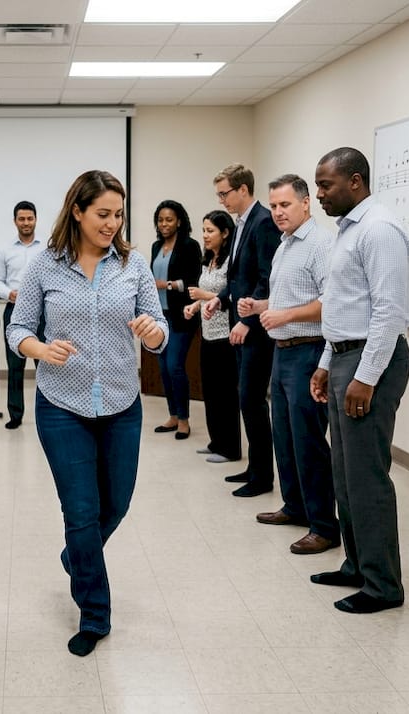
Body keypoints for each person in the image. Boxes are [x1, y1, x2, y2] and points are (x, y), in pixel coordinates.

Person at [6, 170, 167, 658]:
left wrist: (152, 333)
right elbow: (17, 329)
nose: (112, 224)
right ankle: (94, 614)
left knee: (113, 504)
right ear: (77, 211)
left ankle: (76, 556)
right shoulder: (45, 266)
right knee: (80, 511)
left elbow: (158, 328)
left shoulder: (132, 264)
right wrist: (40, 347)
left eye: (118, 215)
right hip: (61, 406)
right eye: (102, 214)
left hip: (121, 402)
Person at [308, 147, 409, 614]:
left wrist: (365, 378)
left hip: (372, 362)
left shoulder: (379, 229)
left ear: (355, 181)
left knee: (367, 478)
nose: (319, 195)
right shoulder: (347, 232)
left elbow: (389, 313)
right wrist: (327, 363)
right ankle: (356, 564)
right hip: (345, 356)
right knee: (344, 475)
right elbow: (344, 306)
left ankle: (383, 586)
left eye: (325, 186)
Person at [237, 174, 339, 556]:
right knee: (285, 436)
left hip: (308, 352)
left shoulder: (321, 245)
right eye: (274, 206)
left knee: (308, 441)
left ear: (306, 203)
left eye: (285, 205)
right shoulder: (284, 245)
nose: (278, 212)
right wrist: (260, 307)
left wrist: (283, 316)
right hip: (283, 351)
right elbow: (287, 298)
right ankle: (295, 507)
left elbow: (331, 303)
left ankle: (324, 526)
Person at [203, 163, 280, 497]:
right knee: (244, 399)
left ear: (243, 190)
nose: (222, 200)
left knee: (251, 400)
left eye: (225, 193)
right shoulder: (241, 223)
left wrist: (247, 321)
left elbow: (267, 278)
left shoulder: (263, 222)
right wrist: (220, 300)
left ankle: (263, 477)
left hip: (256, 328)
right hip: (238, 320)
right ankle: (253, 468)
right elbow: (237, 278)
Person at [182, 210, 242, 464]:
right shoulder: (209, 260)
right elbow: (206, 295)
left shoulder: (231, 262)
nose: (205, 236)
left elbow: (231, 297)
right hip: (207, 334)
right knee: (211, 392)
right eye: (203, 230)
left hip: (226, 336)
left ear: (225, 233)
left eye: (210, 231)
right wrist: (194, 306)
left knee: (226, 394)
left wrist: (204, 298)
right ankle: (216, 441)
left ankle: (231, 449)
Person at [148, 200, 202, 440]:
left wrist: (166, 285)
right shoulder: (156, 246)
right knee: (163, 368)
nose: (164, 224)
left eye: (169, 219)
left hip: (181, 316)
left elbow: (192, 281)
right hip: (159, 315)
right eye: (160, 220)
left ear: (179, 221)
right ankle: (172, 415)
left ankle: (184, 420)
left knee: (175, 366)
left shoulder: (190, 246)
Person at [0, 201, 46, 429]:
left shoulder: (47, 249)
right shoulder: (5, 251)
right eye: (21, 219)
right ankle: (15, 414)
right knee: (15, 365)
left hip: (44, 312)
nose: (26, 223)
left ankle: (47, 412)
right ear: (15, 221)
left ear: (35, 219)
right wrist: (9, 293)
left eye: (29, 218)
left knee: (44, 363)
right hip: (15, 311)